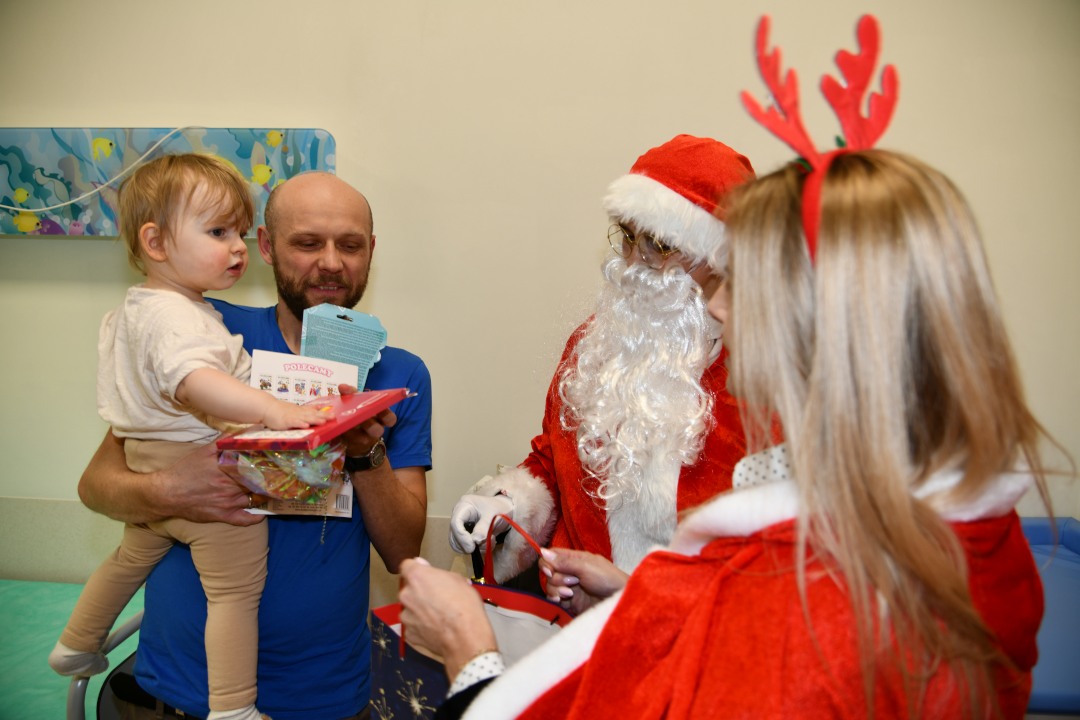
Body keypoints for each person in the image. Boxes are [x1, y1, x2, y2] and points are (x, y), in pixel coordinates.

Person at [398, 16, 1059, 714]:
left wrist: (470, 655)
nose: (719, 309)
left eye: (736, 284)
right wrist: (594, 565)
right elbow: (559, 465)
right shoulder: (942, 525)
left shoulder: (803, 597)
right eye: (626, 240)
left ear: (822, 323)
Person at [78, 170, 432, 720]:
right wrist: (172, 489)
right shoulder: (207, 335)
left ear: (371, 253)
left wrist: (364, 451)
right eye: (308, 243)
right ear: (265, 246)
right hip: (177, 691)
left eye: (350, 245)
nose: (332, 262)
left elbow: (404, 551)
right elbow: (98, 487)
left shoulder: (399, 374)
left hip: (325, 696)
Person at [50, 154, 332, 720]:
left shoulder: (143, 307)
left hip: (145, 454)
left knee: (132, 555)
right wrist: (275, 412)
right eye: (218, 231)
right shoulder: (178, 318)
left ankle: (76, 644)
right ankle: (232, 707)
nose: (236, 248)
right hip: (190, 461)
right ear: (155, 242)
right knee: (234, 590)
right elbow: (198, 384)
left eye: (238, 233)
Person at [449, 135, 755, 584]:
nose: (634, 262)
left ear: (721, 258)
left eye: (660, 245)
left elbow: (763, 568)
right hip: (574, 636)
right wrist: (506, 504)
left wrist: (628, 595)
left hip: (691, 643)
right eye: (629, 237)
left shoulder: (756, 379)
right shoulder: (595, 343)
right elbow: (555, 461)